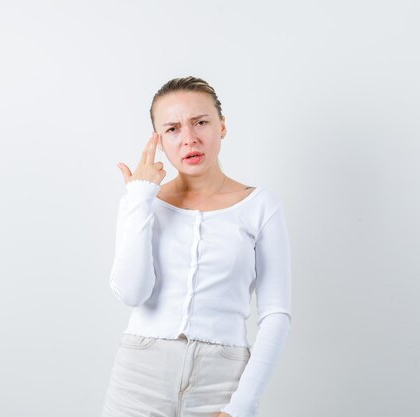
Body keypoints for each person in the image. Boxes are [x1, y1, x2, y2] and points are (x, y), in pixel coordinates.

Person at [101, 76, 292, 417]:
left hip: (222, 381)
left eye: (200, 122)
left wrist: (242, 404)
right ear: (159, 140)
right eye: (172, 129)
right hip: (138, 378)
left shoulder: (261, 206)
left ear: (222, 127)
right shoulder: (143, 200)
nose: (189, 138)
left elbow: (276, 314)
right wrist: (140, 197)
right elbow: (132, 293)